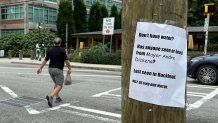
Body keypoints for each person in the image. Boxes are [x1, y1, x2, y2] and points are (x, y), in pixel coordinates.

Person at [36, 37, 71, 108]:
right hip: (58, 70)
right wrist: (69, 68)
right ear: (60, 43)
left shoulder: (50, 50)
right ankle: (51, 97)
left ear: (53, 42)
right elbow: (66, 61)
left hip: (50, 69)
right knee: (59, 85)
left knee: (56, 84)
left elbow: (45, 60)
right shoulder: (62, 50)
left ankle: (57, 97)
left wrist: (40, 68)